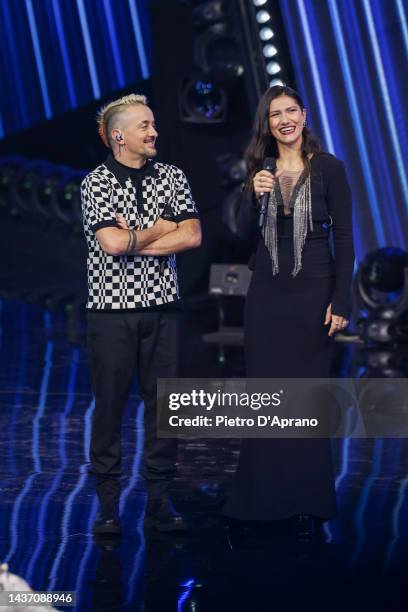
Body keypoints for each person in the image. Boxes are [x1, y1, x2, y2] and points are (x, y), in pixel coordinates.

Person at [223, 85, 355, 538]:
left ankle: (306, 500)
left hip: (314, 294)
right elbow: (240, 235)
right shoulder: (259, 171)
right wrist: (250, 196)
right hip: (267, 297)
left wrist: (343, 300)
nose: (284, 120)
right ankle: (259, 499)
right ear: (267, 124)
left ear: (304, 115)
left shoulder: (330, 170)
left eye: (291, 111)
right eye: (275, 114)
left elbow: (347, 239)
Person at [81, 94, 202, 534]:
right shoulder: (94, 182)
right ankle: (109, 506)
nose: (154, 132)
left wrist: (133, 236)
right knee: (110, 406)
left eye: (153, 124)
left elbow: (191, 236)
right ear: (119, 136)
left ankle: (159, 501)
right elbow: (110, 245)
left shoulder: (172, 176)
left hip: (164, 309)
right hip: (111, 312)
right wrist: (158, 228)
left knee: (164, 408)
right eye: (144, 126)